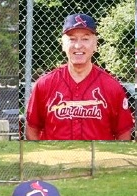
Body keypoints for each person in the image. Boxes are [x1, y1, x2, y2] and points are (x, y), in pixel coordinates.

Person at [25, 13, 134, 141]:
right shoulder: (44, 84)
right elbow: (32, 129)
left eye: (85, 39)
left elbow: (123, 134)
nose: (78, 46)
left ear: (95, 44)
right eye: (72, 39)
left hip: (98, 160)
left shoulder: (112, 86)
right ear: (63, 44)